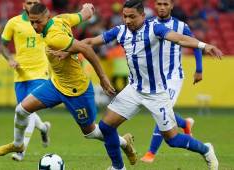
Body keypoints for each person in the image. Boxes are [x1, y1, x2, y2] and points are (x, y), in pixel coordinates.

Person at [0, 3, 138, 165]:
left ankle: (124, 143)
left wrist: (102, 78)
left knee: (90, 133)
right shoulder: (61, 19)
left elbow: (86, 48)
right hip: (56, 84)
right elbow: (82, 15)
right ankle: (18, 145)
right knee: (21, 109)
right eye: (31, 22)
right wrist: (87, 9)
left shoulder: (54, 37)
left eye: (37, 22)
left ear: (47, 17)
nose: (34, 26)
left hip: (77, 90)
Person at [82, 0, 222, 169]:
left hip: (157, 93)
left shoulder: (155, 28)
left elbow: (179, 38)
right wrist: (67, 47)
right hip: (134, 90)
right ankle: (118, 167)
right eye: (125, 16)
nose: (127, 21)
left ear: (142, 15)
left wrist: (203, 45)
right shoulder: (120, 31)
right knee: (106, 126)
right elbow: (90, 42)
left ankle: (206, 149)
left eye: (132, 17)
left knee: (172, 139)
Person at [140, 0, 204, 163]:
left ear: (171, 6)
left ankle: (151, 153)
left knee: (161, 110)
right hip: (155, 77)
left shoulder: (181, 26)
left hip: (174, 76)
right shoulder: (148, 24)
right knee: (159, 110)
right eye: (159, 4)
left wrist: (199, 69)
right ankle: (185, 123)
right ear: (155, 5)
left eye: (165, 4)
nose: (162, 7)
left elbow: (195, 45)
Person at [0, 0, 52, 161]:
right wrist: (10, 58)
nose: (32, 4)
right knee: (24, 111)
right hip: (20, 73)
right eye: (29, 2)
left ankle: (21, 150)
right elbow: (3, 46)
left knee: (28, 110)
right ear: (23, 5)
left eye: (36, 2)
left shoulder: (47, 22)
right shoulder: (13, 23)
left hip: (40, 72)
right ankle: (43, 128)